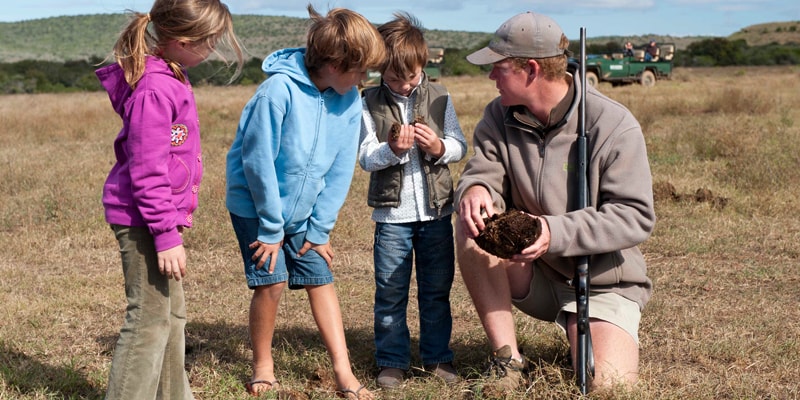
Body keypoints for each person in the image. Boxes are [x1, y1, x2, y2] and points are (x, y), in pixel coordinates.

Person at [455, 11, 655, 395]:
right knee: (470, 225)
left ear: (530, 70)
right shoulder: (498, 115)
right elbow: (484, 169)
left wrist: (553, 232)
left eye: (498, 68)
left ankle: (585, 330)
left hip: (600, 285)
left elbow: (635, 216)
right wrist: (476, 188)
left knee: (608, 386)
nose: (491, 77)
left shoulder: (613, 123)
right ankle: (507, 359)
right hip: (532, 271)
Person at [225, 5, 386, 399]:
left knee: (321, 278)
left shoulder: (349, 101)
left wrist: (320, 228)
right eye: (360, 70)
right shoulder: (276, 92)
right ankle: (263, 366)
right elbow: (257, 162)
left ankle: (344, 373)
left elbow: (341, 168)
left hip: (306, 213)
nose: (365, 79)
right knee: (273, 282)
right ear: (334, 63)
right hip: (257, 208)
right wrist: (271, 229)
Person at [96, 0, 243, 399]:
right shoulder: (155, 88)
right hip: (142, 219)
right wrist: (165, 234)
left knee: (172, 316)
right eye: (210, 41)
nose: (213, 48)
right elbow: (146, 169)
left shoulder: (171, 76)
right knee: (148, 320)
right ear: (181, 40)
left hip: (158, 217)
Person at [358, 12, 467, 390]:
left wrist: (439, 147)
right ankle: (391, 360)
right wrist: (392, 150)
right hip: (392, 218)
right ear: (379, 71)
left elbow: (458, 144)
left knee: (436, 291)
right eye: (393, 79)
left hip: (437, 214)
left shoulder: (439, 96)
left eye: (412, 77)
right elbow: (366, 157)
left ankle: (437, 358)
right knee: (390, 292)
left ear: (423, 66)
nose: (404, 86)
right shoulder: (368, 101)